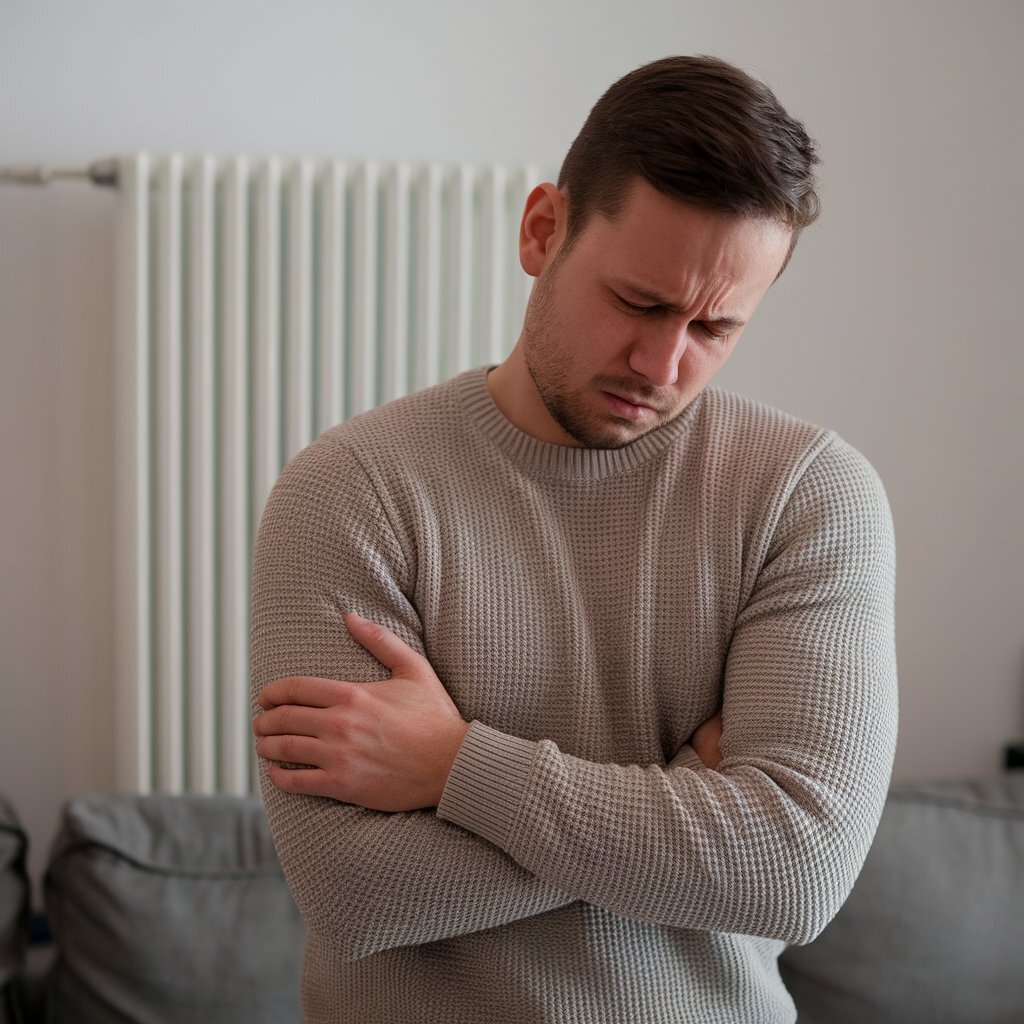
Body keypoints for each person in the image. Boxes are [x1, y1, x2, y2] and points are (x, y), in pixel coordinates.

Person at [250, 55, 897, 1024]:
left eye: (716, 327)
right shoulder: (350, 491)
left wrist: (460, 766)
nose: (663, 363)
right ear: (541, 229)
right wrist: (686, 797)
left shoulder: (807, 495)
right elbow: (358, 894)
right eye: (639, 301)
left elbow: (796, 872)